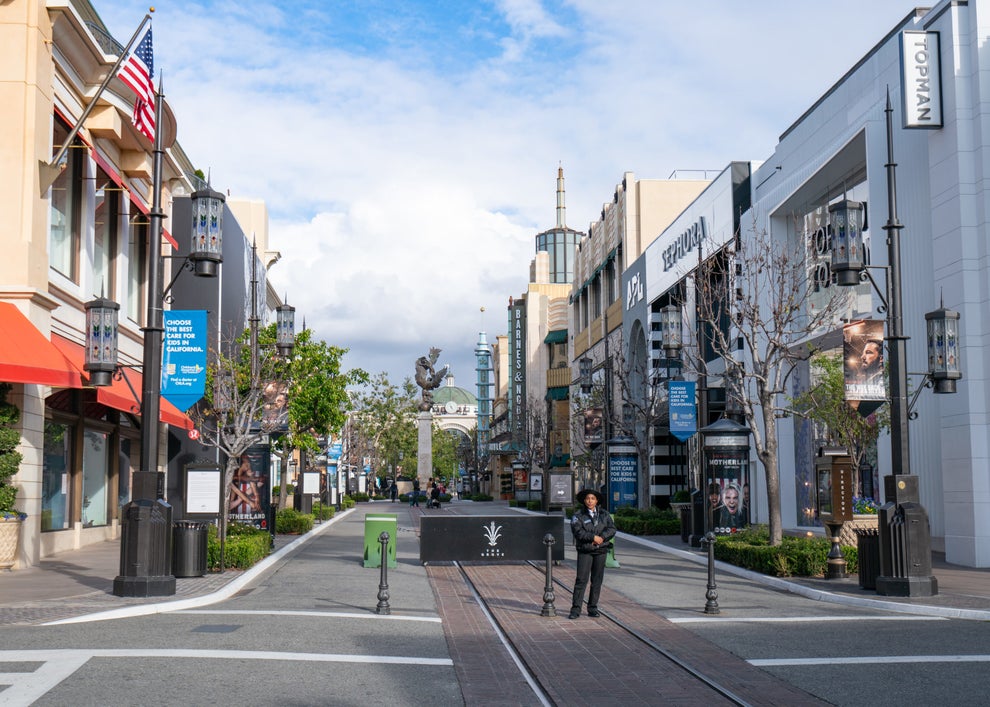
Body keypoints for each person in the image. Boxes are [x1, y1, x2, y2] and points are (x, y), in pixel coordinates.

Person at [569, 488, 616, 619]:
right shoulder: (578, 516)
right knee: (581, 580)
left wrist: (601, 537)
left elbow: (612, 529)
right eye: (587, 499)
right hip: (585, 551)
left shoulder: (604, 515)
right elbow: (578, 532)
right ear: (584, 501)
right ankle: (575, 609)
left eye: (593, 499)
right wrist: (592, 538)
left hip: (601, 551)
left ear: (597, 501)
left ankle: (592, 608)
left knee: (597, 581)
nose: (590, 501)